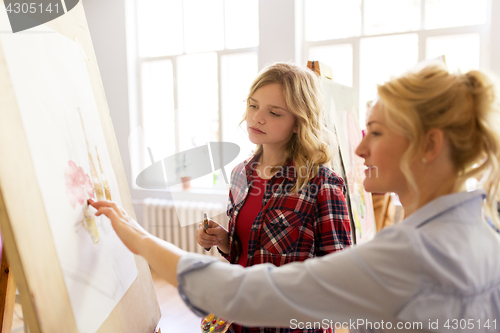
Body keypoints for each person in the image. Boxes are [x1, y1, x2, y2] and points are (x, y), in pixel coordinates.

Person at [89, 64, 500, 333]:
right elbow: (248, 268)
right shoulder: (485, 235)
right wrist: (227, 243)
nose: (358, 150)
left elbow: (264, 290)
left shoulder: (408, 248)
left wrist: (139, 238)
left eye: (375, 132)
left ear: (429, 144)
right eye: (253, 107)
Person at [195, 62, 352, 333]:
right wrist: (224, 241)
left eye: (274, 112)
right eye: (253, 105)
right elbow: (245, 253)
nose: (256, 118)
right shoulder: (240, 175)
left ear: (297, 123)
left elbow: (339, 280)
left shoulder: (322, 184)